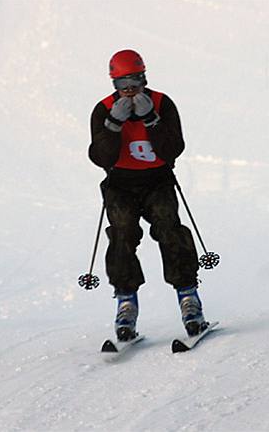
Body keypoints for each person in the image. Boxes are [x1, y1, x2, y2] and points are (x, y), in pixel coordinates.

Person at [88, 49, 208, 341]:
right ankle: (126, 302)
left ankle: (188, 298)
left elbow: (173, 149)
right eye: (121, 84)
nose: (129, 90)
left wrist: (152, 120)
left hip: (157, 180)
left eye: (135, 81)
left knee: (169, 229)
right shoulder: (103, 110)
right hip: (120, 183)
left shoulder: (162, 104)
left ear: (144, 78)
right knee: (122, 233)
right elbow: (101, 157)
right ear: (113, 84)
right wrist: (113, 125)